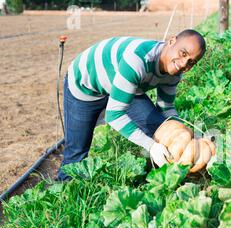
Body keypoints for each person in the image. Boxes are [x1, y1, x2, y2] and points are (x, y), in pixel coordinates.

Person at [56, 29, 206, 181]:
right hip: (86, 86)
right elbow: (114, 115)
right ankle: (62, 191)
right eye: (183, 53)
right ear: (172, 41)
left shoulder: (175, 72)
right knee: (77, 152)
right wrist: (151, 146)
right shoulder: (138, 60)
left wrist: (185, 135)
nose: (183, 64)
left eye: (191, 62)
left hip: (125, 85)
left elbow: (166, 108)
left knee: (160, 128)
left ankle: (167, 177)